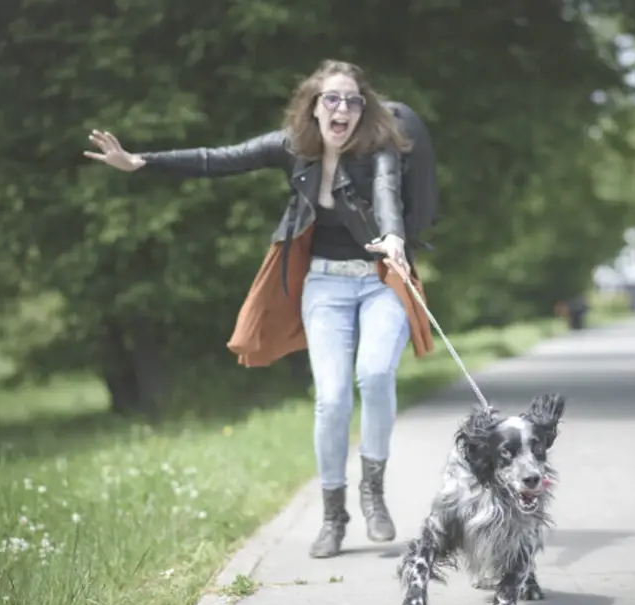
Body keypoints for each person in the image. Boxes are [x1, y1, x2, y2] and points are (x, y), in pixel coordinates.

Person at [83, 59, 435, 559]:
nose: (343, 109)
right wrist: (141, 162)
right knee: (332, 398)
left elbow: (387, 191)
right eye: (332, 99)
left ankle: (372, 491)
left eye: (353, 101)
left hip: (380, 281)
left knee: (375, 376)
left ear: (364, 109)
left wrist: (395, 236)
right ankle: (333, 515)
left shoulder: (378, 148)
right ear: (314, 107)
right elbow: (216, 158)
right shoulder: (290, 147)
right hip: (325, 286)